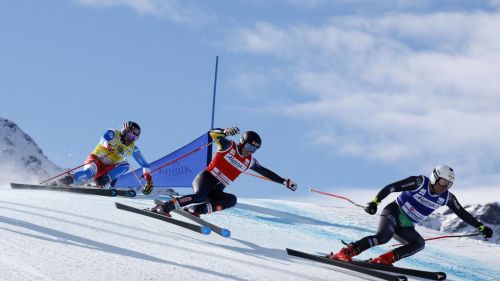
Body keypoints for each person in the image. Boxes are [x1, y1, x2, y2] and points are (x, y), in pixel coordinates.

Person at [327, 165, 494, 265]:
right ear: (435, 178)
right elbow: (391, 187)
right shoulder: (419, 182)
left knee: (419, 243)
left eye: (448, 184)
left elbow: (462, 213)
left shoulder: (446, 197)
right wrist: (374, 202)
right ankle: (347, 252)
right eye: (443, 182)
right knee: (383, 237)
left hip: (406, 225)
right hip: (394, 211)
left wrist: (481, 227)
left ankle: (385, 259)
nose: (444, 187)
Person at [156, 127, 297, 216]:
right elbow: (212, 134)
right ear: (242, 142)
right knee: (199, 196)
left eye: (253, 149)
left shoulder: (249, 161)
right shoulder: (228, 146)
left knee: (231, 200)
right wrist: (224, 132)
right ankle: (166, 206)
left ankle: (198, 210)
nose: (249, 150)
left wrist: (284, 181)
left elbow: (265, 172)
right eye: (248, 146)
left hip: (216, 190)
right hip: (206, 178)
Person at [58, 121, 154, 194]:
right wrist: (108, 145)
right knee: (88, 173)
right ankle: (67, 180)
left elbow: (145, 165)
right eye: (130, 135)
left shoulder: (133, 149)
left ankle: (102, 182)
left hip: (107, 169)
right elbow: (104, 138)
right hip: (96, 160)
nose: (131, 139)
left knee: (125, 165)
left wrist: (149, 181)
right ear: (124, 131)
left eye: (135, 138)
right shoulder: (113, 133)